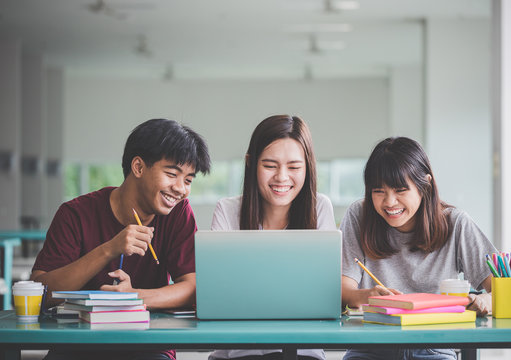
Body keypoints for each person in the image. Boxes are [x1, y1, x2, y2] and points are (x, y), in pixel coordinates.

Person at [31, 118, 210, 360]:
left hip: (149, 345)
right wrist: (109, 249)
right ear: (138, 167)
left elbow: (193, 286)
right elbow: (41, 293)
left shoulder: (178, 213)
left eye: (188, 180)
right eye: (171, 174)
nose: (181, 188)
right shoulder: (75, 213)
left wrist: (133, 297)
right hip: (77, 343)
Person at [341, 137, 496, 360]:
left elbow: (499, 287)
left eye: (400, 190)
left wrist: (484, 300)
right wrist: (368, 296)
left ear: (426, 185)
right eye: (378, 191)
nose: (389, 202)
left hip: (434, 348)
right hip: (369, 346)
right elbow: (344, 290)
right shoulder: (359, 215)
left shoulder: (456, 223)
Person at [209, 115, 335, 360]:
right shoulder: (227, 210)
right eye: (270, 165)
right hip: (238, 353)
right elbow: (219, 294)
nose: (282, 177)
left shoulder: (320, 207)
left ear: (308, 167)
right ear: (250, 163)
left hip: (304, 353)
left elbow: (325, 292)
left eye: (294, 167)